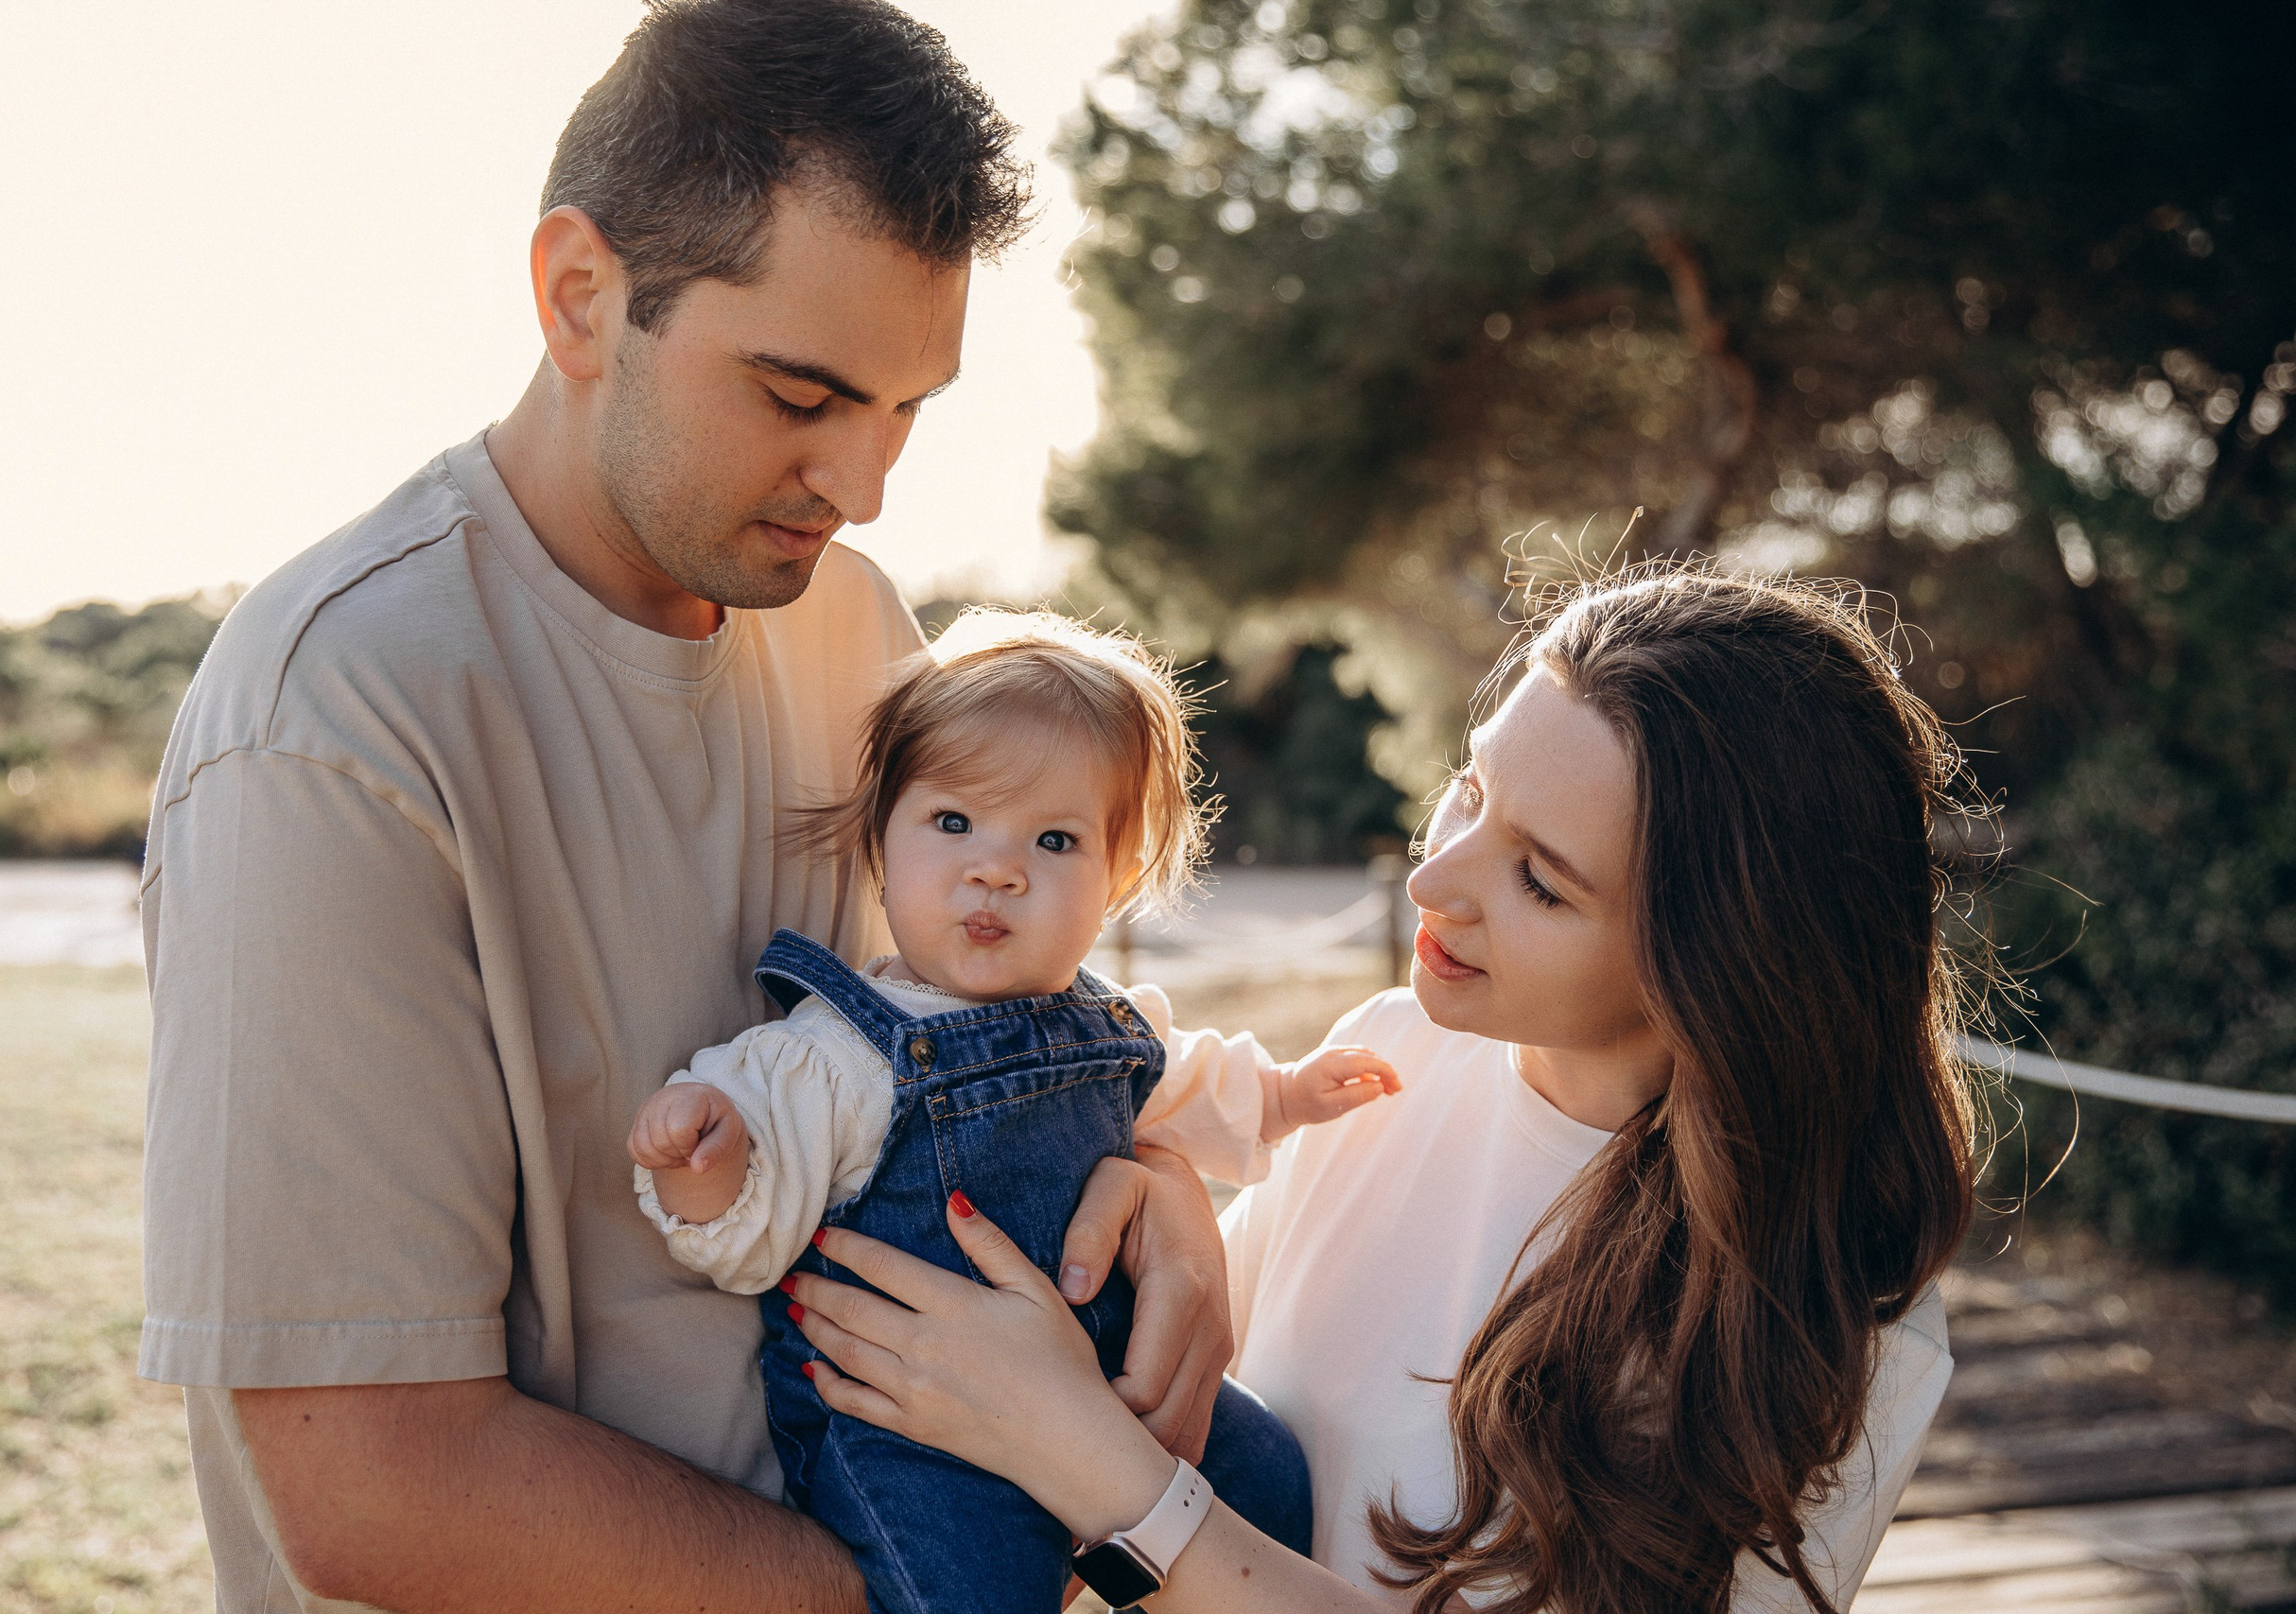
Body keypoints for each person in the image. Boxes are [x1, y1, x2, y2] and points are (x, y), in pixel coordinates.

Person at [137, 6, 1246, 1609]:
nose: (864, 484)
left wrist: (1163, 1188)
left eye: (907, 408)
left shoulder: (856, 626)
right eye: (801, 392)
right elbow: (372, 1481)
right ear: (581, 295)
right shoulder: (331, 722)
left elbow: (959, 1036)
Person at [785, 568, 1982, 1613]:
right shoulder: (1393, 1053)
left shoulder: (1833, 1331)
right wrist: (1168, 1199)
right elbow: (1209, 1384)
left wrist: (1087, 1465)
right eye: (1470, 790)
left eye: (1541, 883)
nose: (1434, 879)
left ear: (1717, 965)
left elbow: (1107, 1459)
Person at [628, 609, 1401, 1610]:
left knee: (1269, 1478)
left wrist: (1288, 1093)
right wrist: (711, 1162)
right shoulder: (837, 1052)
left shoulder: (1105, 1023)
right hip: (915, 1434)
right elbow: (745, 1228)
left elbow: (1191, 1082)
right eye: (953, 823)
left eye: (1054, 838)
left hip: (1114, 1392)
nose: (997, 868)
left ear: (1115, 878)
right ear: (881, 838)